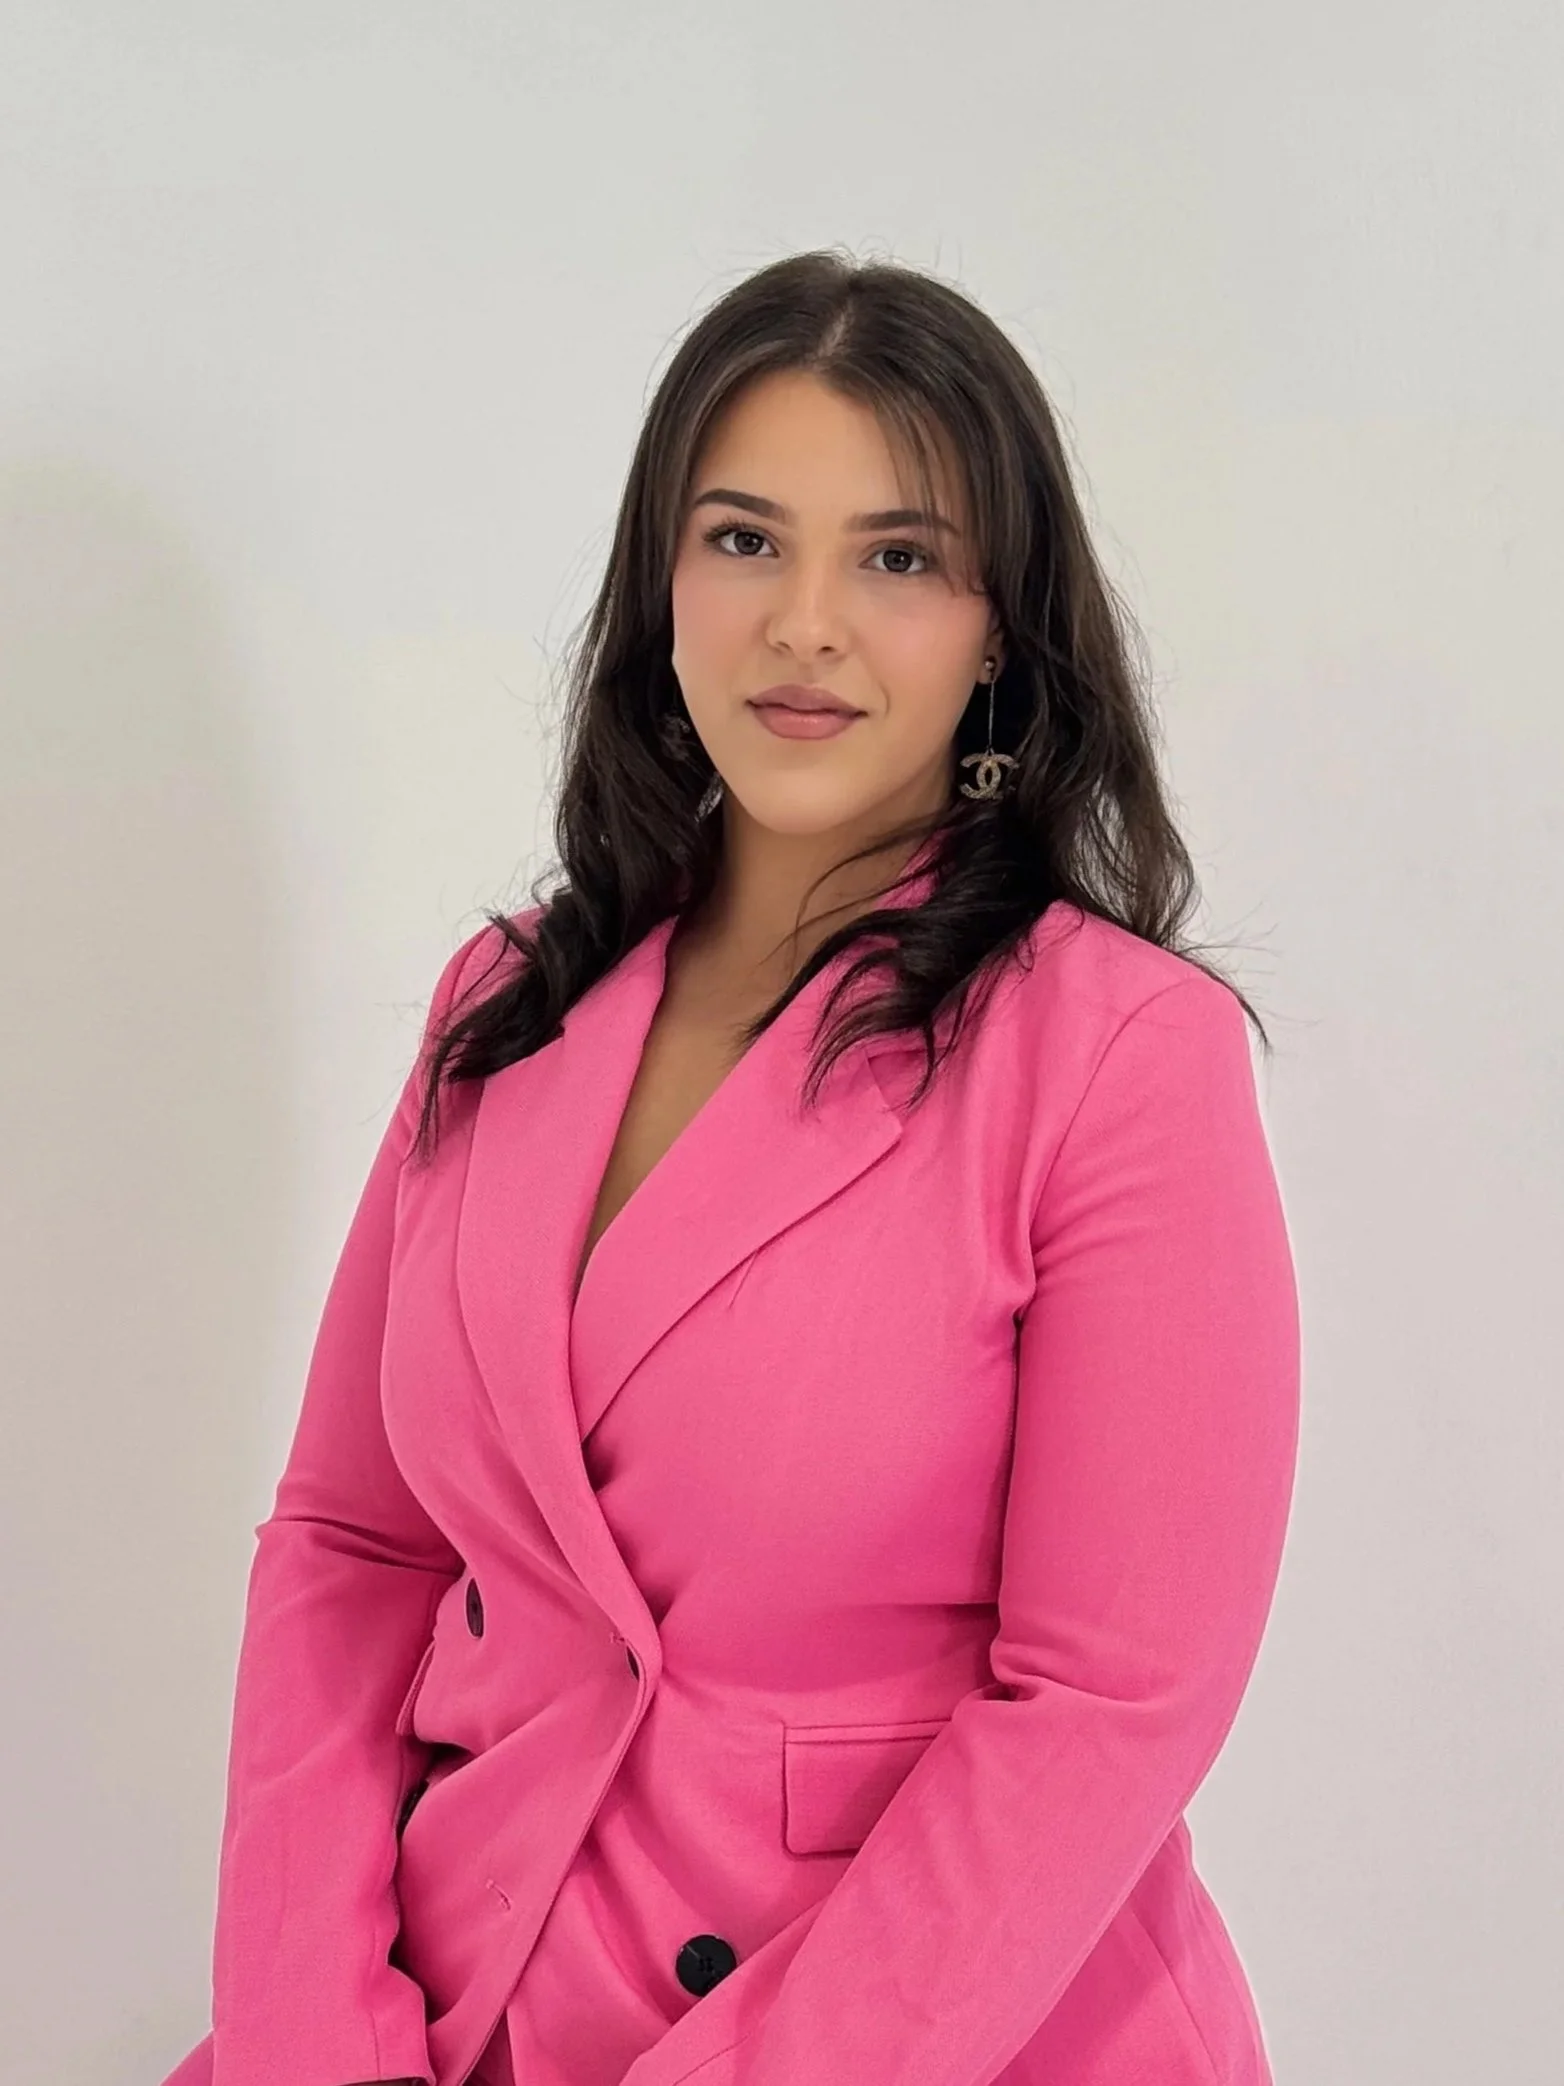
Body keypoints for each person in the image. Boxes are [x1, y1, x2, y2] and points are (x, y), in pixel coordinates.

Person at [158, 249, 1301, 2086]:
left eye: (899, 557)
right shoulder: (505, 1003)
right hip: (454, 2009)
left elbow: (1108, 1701)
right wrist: (316, 2040)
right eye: (747, 539)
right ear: (663, 582)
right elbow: (351, 1545)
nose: (806, 623)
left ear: (999, 631)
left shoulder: (1115, 1053)